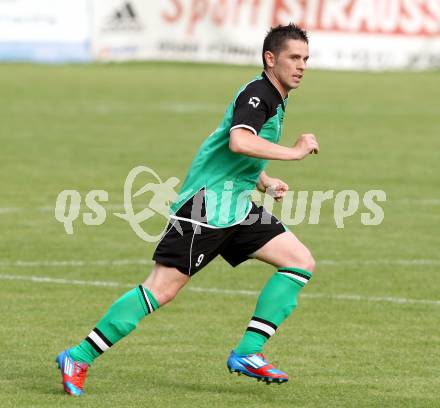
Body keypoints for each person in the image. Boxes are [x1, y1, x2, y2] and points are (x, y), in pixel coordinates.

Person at [56, 23, 319, 396]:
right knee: (161, 290)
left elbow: (230, 152)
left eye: (306, 58)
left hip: (236, 204)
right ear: (270, 59)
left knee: (299, 261)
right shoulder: (259, 95)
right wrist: (293, 152)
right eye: (294, 57)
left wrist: (264, 180)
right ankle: (78, 356)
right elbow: (239, 140)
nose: (302, 66)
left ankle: (248, 351)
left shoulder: (274, 96)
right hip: (205, 208)